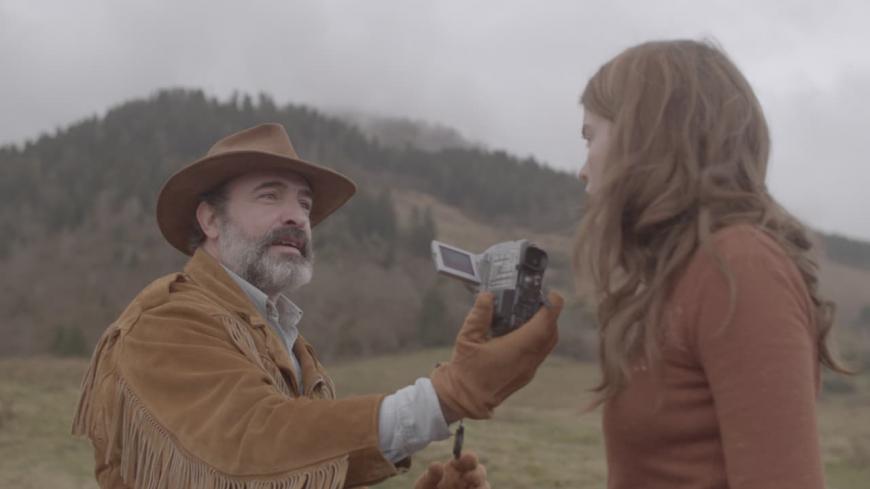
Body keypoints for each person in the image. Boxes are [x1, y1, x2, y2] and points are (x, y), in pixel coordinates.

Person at [72, 123, 563, 489]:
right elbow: (254, 444)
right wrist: (443, 397)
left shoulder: (287, 340)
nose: (297, 217)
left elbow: (304, 470)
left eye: (305, 205)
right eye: (270, 196)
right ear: (211, 221)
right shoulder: (166, 321)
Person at [574, 39, 849, 489]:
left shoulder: (739, 267)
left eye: (590, 136)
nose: (583, 169)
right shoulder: (681, 275)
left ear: (645, 136)